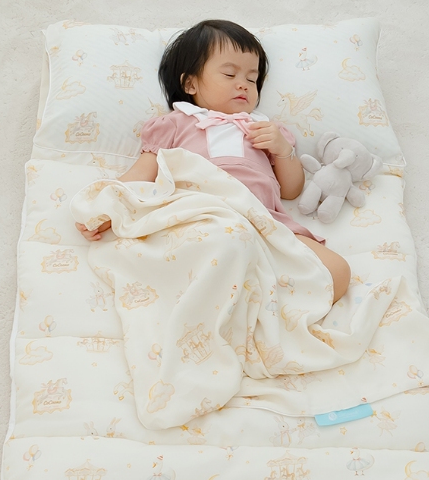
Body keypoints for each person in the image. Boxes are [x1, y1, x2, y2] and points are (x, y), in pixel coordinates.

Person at [73, 19, 351, 303]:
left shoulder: (266, 129)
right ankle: (227, 292)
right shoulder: (176, 123)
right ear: (190, 83)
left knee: (337, 271)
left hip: (260, 218)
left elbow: (291, 191)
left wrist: (282, 150)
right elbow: (141, 174)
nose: (243, 84)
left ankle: (256, 298)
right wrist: (106, 208)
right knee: (221, 245)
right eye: (229, 74)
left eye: (252, 79)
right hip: (200, 214)